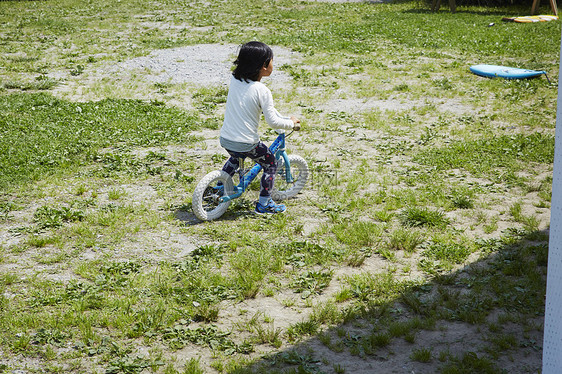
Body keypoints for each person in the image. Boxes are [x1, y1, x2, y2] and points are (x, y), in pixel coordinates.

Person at [219, 41, 300, 214]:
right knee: (271, 163)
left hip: (226, 138)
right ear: (263, 66)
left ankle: (219, 185)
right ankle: (264, 203)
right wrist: (291, 123)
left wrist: (280, 115)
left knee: (236, 156)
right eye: (271, 60)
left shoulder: (235, 80)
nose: (273, 64)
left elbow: (264, 109)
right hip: (247, 142)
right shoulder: (262, 90)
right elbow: (272, 122)